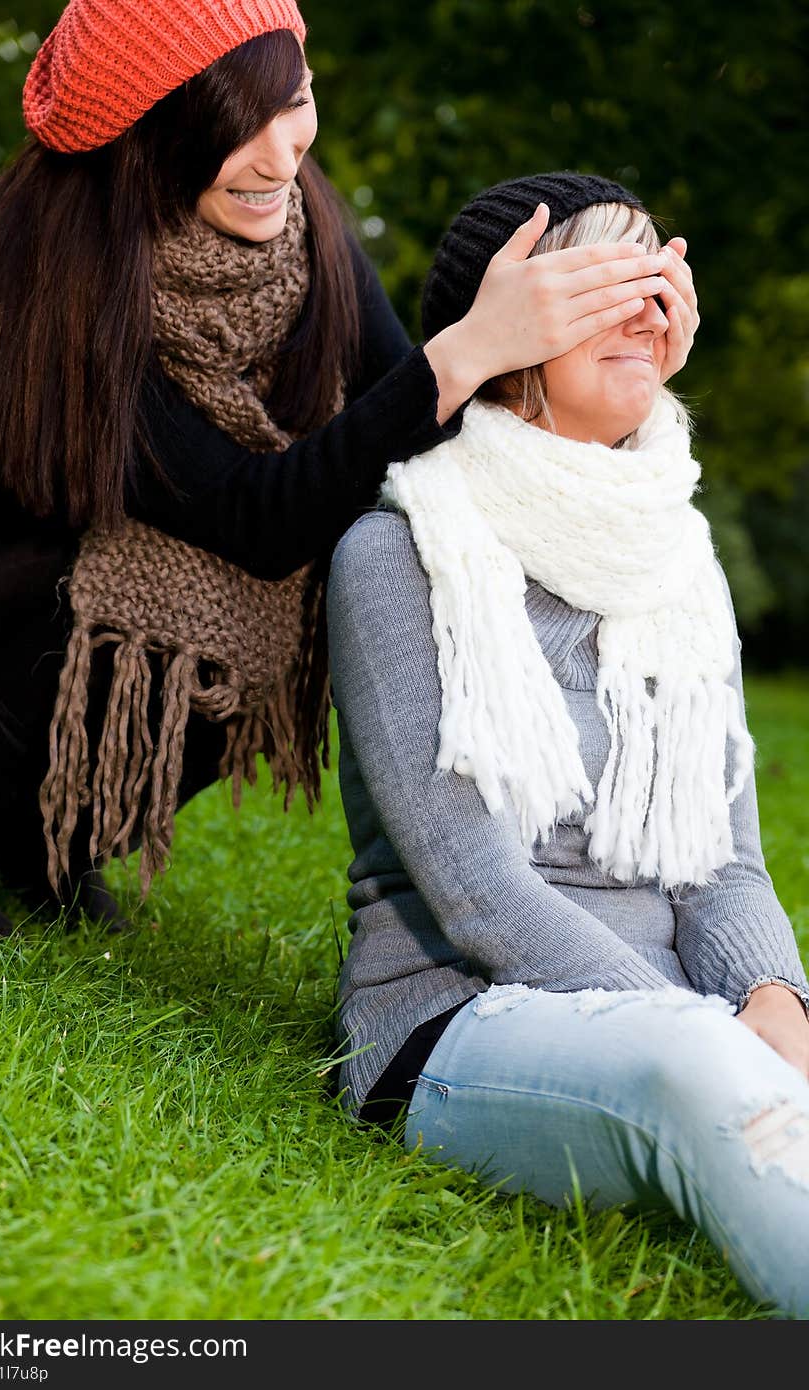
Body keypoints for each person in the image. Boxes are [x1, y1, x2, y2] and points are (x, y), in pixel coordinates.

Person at [0, 3, 690, 938]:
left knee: (346, 568)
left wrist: (624, 370)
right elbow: (257, 519)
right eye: (228, 130)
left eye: (293, 103)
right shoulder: (38, 281)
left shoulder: (304, 230)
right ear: (140, 141)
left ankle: (55, 845)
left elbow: (424, 443)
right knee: (203, 580)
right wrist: (467, 350)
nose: (279, 158)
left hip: (60, 620)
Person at [326, 172, 809, 1319]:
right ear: (513, 325)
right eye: (603, 280)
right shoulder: (401, 550)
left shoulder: (673, 558)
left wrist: (775, 1001)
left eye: (657, 278)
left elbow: (725, 861)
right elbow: (481, 894)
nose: (646, 307)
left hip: (684, 998)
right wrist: (721, 1038)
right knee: (695, 1075)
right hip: (462, 1013)